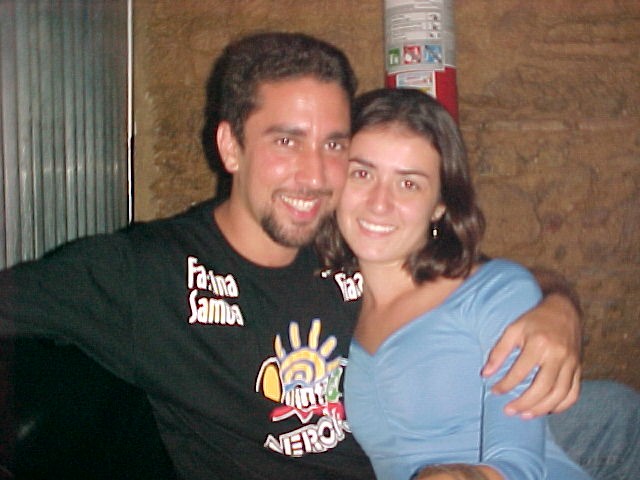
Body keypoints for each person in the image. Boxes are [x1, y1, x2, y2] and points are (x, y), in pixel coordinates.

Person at [0, 31, 635, 479]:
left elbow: (471, 279)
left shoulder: (346, 241)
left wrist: (557, 306)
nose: (313, 175)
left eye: (334, 145)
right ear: (230, 146)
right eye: (286, 141)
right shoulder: (146, 273)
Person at [316, 87, 592, 479]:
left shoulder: (493, 293)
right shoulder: (328, 304)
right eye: (362, 174)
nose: (379, 202)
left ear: (440, 205)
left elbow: (520, 465)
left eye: (408, 184)